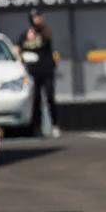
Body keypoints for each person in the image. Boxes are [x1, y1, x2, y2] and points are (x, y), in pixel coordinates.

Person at [16, 8, 60, 138]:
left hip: (47, 70)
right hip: (33, 72)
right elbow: (18, 49)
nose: (38, 19)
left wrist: (36, 33)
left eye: (39, 17)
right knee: (36, 100)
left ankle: (55, 125)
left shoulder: (46, 31)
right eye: (35, 17)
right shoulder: (24, 35)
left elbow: (48, 36)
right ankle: (37, 128)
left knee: (50, 97)